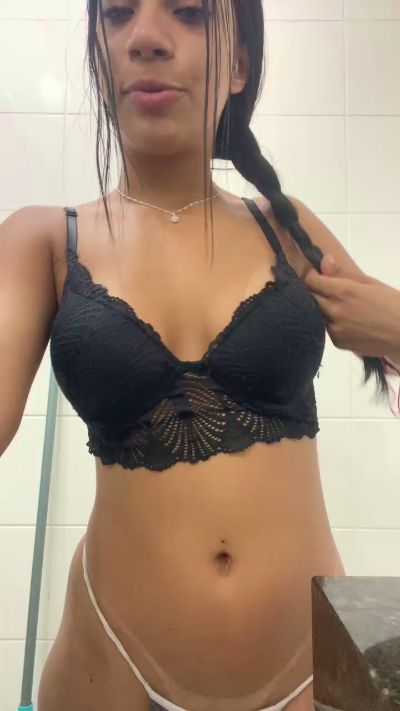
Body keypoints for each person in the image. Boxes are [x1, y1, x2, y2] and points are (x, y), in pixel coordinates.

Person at [1, 2, 393, 710]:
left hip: (314, 667)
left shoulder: (286, 228)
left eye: (187, 13)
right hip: (110, 668)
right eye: (118, 15)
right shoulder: (43, 241)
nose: (146, 38)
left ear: (238, 64)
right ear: (98, 56)